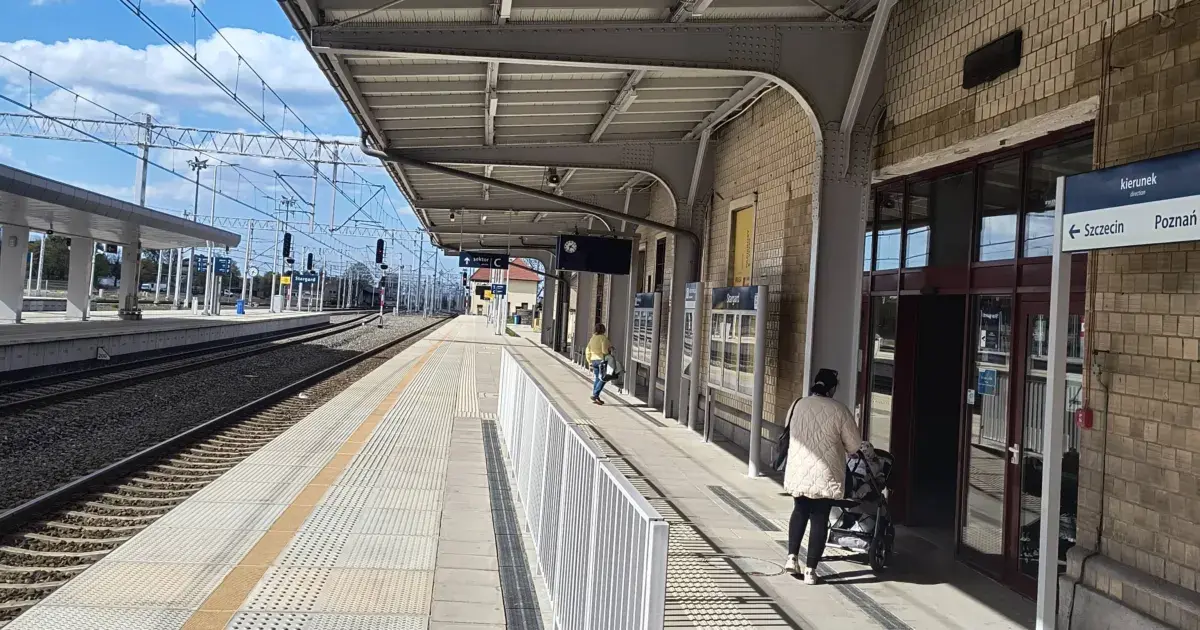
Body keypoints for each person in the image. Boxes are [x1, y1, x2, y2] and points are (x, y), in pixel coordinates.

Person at [782, 368, 861, 584]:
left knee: (800, 510)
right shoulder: (840, 410)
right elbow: (854, 445)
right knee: (819, 517)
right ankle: (810, 571)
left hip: (799, 469)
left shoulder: (798, 404)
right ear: (832, 388)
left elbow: (789, 428)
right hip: (826, 472)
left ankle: (791, 558)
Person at [585, 323, 613, 405]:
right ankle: (595, 394)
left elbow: (587, 350)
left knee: (598, 378)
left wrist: (589, 361)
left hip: (593, 361)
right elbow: (604, 351)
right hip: (601, 360)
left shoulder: (592, 338)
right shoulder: (603, 338)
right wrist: (609, 351)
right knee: (604, 378)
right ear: (603, 330)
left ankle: (596, 397)